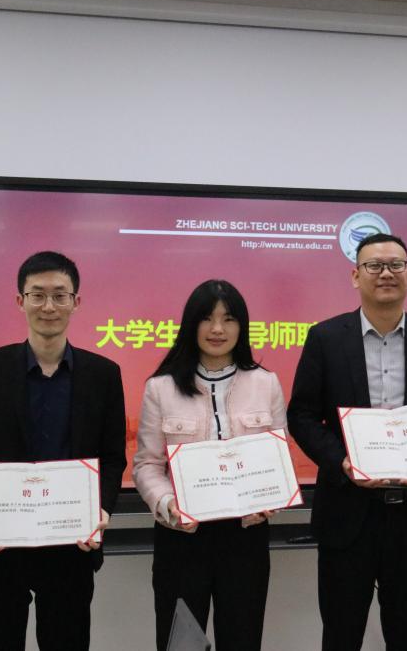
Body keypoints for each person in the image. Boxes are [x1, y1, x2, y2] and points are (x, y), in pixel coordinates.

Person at [288, 233, 407, 651]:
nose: (386, 273)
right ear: (356, 276)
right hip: (347, 514)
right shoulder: (325, 338)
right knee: (341, 635)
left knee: (406, 637)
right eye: (374, 265)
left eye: (396, 264)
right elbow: (301, 415)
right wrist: (342, 462)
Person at [0, 251, 127, 651]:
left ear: (76, 302)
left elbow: (112, 457)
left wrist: (101, 509)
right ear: (21, 300)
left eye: (60, 295)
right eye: (38, 294)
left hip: (69, 548)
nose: (49, 306)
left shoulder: (103, 374)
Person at [133, 279, 287, 651]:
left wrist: (272, 497)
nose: (218, 329)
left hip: (245, 538)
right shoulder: (161, 388)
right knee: (181, 644)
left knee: (242, 639)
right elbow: (147, 465)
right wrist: (169, 504)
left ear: (242, 326)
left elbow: (278, 460)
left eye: (229, 319)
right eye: (207, 318)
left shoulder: (266, 383)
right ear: (191, 324)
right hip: (182, 539)